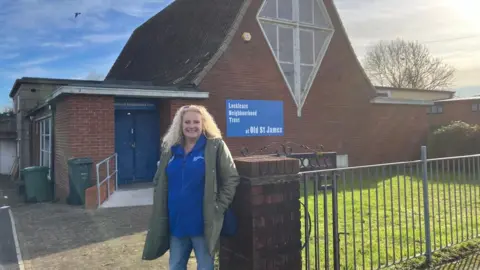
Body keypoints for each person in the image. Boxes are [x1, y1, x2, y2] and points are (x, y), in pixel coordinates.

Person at [142, 105, 240, 270]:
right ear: (180, 125)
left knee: (205, 267)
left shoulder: (215, 146)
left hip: (203, 224)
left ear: (203, 124)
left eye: (196, 122)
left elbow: (231, 177)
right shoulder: (170, 149)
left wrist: (219, 206)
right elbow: (160, 179)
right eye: (187, 122)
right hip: (176, 224)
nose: (191, 126)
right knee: (176, 266)